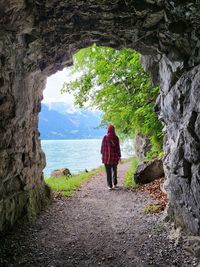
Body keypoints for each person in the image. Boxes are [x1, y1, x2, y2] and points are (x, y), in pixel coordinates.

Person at [101, 124, 121, 190]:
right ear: (114, 130)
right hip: (114, 158)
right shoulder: (116, 138)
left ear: (108, 130)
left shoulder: (105, 137)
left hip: (106, 158)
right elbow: (118, 148)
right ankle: (115, 184)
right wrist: (119, 156)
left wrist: (103, 154)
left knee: (108, 172)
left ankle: (110, 186)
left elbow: (102, 148)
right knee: (114, 171)